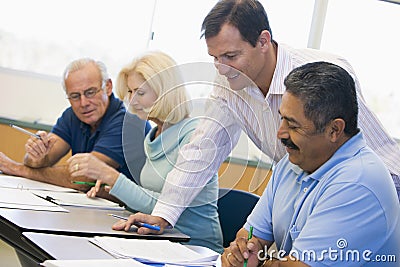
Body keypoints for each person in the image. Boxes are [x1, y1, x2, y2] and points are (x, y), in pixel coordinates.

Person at [124, 0, 400, 235]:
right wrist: (164, 215)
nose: (221, 68)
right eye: (214, 58)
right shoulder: (228, 85)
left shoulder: (322, 74)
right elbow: (201, 150)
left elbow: (360, 151)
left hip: (370, 191)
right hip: (306, 190)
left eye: (231, 56)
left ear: (263, 41)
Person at [222, 61, 400, 266]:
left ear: (334, 130)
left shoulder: (358, 182)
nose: (280, 133)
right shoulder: (292, 163)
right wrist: (242, 252)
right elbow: (252, 236)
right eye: (282, 119)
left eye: (293, 125)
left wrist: (265, 262)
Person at [66, 51, 224, 253]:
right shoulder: (155, 136)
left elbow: (165, 207)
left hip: (192, 248)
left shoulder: (195, 136)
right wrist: (111, 189)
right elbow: (151, 199)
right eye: (130, 93)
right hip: (157, 241)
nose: (132, 101)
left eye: (140, 93)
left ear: (166, 92)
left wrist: (111, 177)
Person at [0, 58, 150, 191]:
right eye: (75, 96)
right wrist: (35, 155)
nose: (83, 103)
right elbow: (42, 159)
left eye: (90, 92)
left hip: (129, 214)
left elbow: (83, 178)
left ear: (108, 87)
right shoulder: (72, 115)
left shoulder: (129, 122)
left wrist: (16, 168)